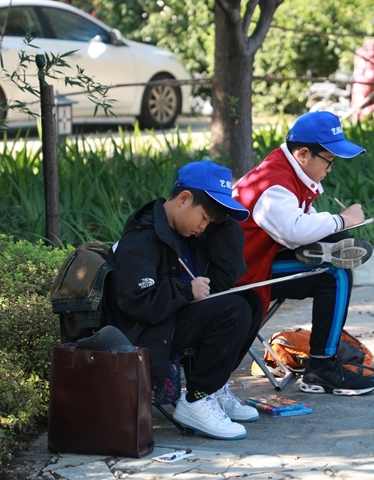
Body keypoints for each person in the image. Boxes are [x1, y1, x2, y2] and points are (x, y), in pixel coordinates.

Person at [105, 161, 264, 440]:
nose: (204, 226)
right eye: (204, 217)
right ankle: (196, 400)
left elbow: (224, 279)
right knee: (235, 310)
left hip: (173, 319)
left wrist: (222, 224)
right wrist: (186, 290)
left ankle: (214, 389)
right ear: (184, 199)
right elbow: (137, 301)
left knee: (250, 300)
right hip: (147, 331)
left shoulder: (190, 233)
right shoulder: (142, 237)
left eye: (210, 223)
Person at [232, 111, 374, 396]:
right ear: (302, 154)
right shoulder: (274, 183)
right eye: (329, 160)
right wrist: (343, 219)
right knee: (334, 274)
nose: (330, 168)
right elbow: (294, 231)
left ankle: (324, 250)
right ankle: (322, 367)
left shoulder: (282, 170)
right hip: (243, 273)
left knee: (334, 256)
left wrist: (336, 228)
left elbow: (300, 220)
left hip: (259, 260)